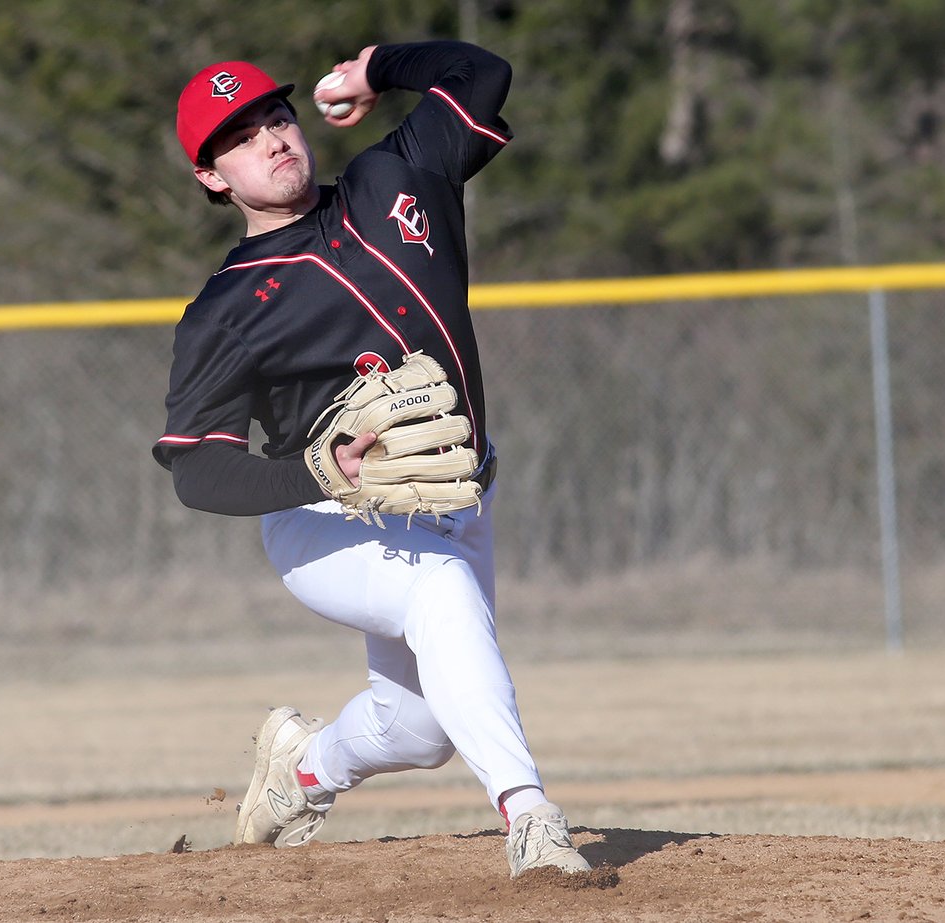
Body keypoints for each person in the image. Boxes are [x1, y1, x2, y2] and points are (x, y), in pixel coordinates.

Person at [154, 40, 591, 879]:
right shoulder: (224, 311)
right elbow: (198, 470)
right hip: (325, 519)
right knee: (441, 592)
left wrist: (377, 69)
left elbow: (484, 75)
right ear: (213, 177)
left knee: (419, 728)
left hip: (458, 490)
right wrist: (315, 472)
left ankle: (302, 768)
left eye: (276, 116)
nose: (273, 138)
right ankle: (530, 817)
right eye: (240, 137)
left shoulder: (393, 178)